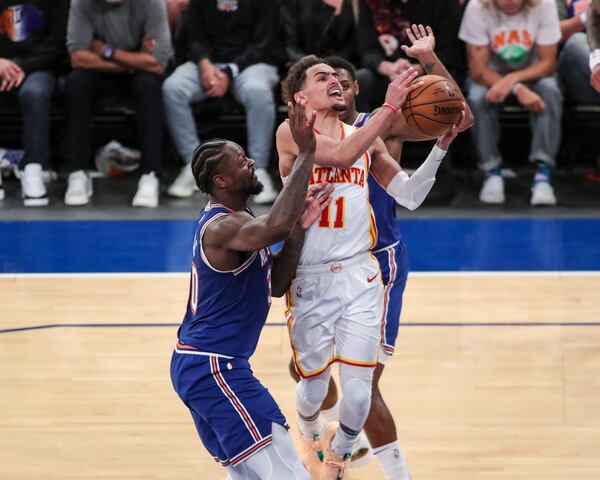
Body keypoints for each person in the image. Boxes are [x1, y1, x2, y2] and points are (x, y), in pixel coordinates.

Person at [285, 25, 474, 480]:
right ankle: (319, 434)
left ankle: (347, 454)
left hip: (370, 265)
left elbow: (456, 114)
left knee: (361, 389)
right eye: (327, 79)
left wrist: (430, 65)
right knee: (309, 382)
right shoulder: (302, 131)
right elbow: (343, 152)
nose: (338, 85)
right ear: (301, 97)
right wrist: (389, 107)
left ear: (355, 90)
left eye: (344, 81)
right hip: (310, 269)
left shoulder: (375, 126)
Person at [170, 102, 334, 479]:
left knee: (248, 475)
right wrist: (307, 152)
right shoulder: (222, 227)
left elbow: (275, 284)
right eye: (240, 159)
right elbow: (275, 226)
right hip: (213, 366)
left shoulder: (243, 224)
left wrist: (298, 229)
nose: (251, 162)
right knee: (287, 472)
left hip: (209, 365)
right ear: (220, 181)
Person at [162, 0, 280, 203]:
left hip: (252, 64)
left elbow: (263, 43)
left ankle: (258, 168)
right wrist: (204, 63)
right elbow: (195, 37)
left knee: (257, 91)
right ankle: (194, 165)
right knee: (173, 88)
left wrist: (230, 71)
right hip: (209, 64)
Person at [64, 0, 172, 208]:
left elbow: (158, 63)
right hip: (110, 71)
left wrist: (106, 50)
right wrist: (134, 61)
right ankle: (78, 173)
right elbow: (78, 58)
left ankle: (150, 175)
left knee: (150, 86)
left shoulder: (152, 3)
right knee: (75, 83)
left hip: (137, 74)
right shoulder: (81, 3)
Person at [459, 0, 563, 206]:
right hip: (490, 74)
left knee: (550, 90)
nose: (510, 2)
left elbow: (548, 63)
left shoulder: (545, 4)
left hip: (533, 73)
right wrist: (517, 88)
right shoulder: (477, 7)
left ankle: (543, 173)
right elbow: (478, 70)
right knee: (477, 97)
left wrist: (513, 81)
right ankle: (491, 171)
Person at [0, 0, 68, 206]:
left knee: (35, 93)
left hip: (36, 68)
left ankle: (33, 168)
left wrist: (24, 66)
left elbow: (57, 44)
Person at [354, 0, 464, 112]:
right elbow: (366, 48)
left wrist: (416, 69)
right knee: (362, 79)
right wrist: (388, 68)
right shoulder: (371, 2)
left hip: (430, 70)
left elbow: (450, 51)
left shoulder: (444, 3)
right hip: (387, 72)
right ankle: (362, 128)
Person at [281, 0, 357, 67]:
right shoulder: (299, 3)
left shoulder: (354, 5)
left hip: (339, 64)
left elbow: (351, 45)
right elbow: (289, 42)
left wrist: (333, 62)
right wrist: (305, 60)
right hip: (301, 63)